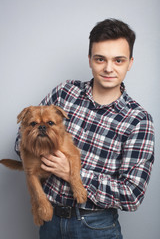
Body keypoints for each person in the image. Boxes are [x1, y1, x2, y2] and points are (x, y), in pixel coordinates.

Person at [15, 18, 154, 239]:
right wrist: (43, 150)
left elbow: (132, 195)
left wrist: (72, 173)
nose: (109, 68)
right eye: (100, 59)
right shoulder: (64, 93)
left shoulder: (138, 120)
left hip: (96, 226)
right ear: (89, 59)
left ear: (130, 62)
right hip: (50, 220)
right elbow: (19, 141)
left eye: (118, 60)